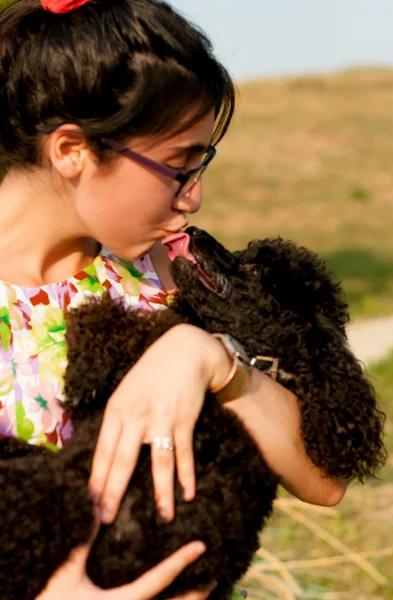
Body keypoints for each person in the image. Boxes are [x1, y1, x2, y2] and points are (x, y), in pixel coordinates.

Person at [0, 0, 347, 598]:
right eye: (178, 166)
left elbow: (325, 479)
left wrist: (213, 361)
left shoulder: (164, 272)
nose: (194, 198)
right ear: (72, 150)